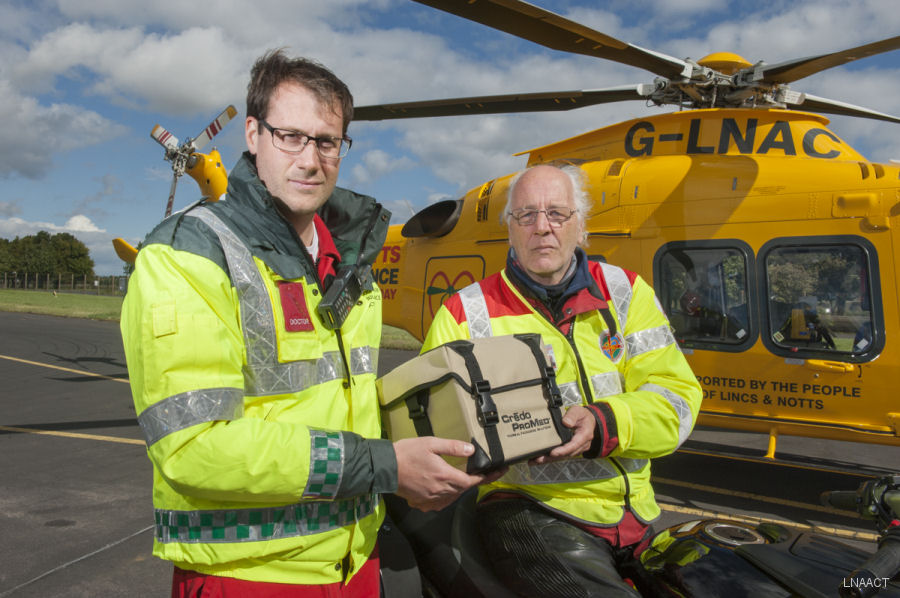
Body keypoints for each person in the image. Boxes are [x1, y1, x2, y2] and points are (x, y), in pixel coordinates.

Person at [121, 49, 496, 597]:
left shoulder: (349, 264)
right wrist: (387, 467)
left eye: (326, 141)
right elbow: (193, 448)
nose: (310, 159)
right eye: (289, 136)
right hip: (249, 574)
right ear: (252, 133)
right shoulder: (188, 256)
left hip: (356, 561)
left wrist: (437, 459)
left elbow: (348, 405)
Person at [421, 163, 704, 597]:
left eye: (556, 213)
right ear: (510, 229)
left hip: (637, 516)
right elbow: (431, 425)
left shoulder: (627, 293)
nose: (542, 227)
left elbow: (677, 399)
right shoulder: (465, 312)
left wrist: (607, 422)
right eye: (526, 215)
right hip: (528, 511)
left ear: (581, 225)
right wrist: (477, 454)